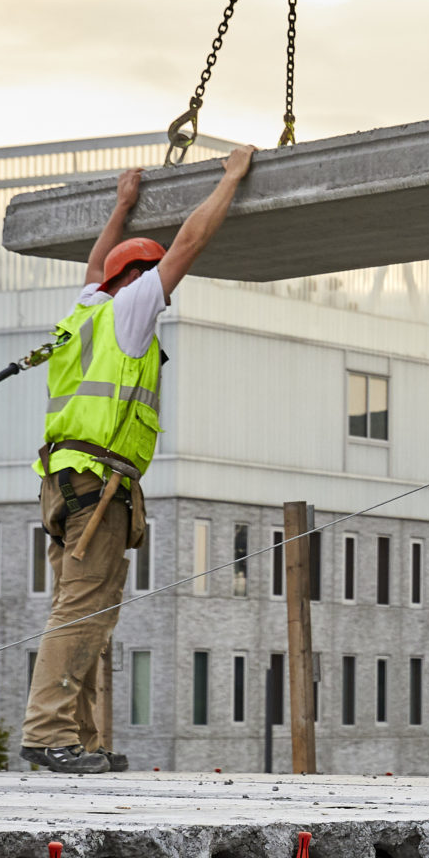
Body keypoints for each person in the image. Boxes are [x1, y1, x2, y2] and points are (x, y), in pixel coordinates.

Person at [20, 145, 255, 773]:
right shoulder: (130, 309)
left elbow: (98, 263)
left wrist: (121, 207)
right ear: (139, 281)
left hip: (65, 483)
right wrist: (229, 179)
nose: (163, 301)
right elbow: (187, 246)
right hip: (98, 485)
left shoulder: (85, 310)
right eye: (154, 285)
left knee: (83, 611)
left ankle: (84, 740)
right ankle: (49, 735)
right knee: (82, 611)